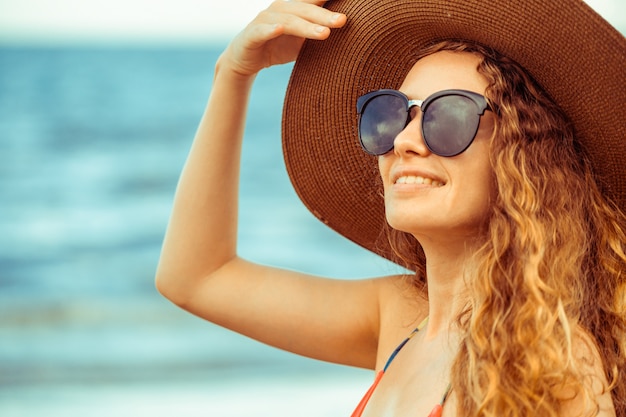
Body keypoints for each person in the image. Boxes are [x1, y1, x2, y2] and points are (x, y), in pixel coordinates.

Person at [155, 0, 626, 415]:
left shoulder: (552, 363)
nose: (403, 140)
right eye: (392, 113)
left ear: (530, 157)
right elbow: (197, 277)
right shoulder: (401, 318)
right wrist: (233, 74)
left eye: (449, 116)